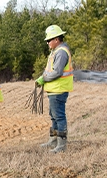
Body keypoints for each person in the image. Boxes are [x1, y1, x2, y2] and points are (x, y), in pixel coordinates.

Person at [36, 25, 73, 153]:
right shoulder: (55, 52)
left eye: (49, 40)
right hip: (54, 90)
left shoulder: (61, 53)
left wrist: (44, 78)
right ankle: (53, 140)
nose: (47, 42)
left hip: (59, 90)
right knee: (53, 116)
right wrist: (43, 77)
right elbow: (50, 70)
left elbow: (57, 72)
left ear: (56, 39)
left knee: (59, 117)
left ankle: (61, 145)